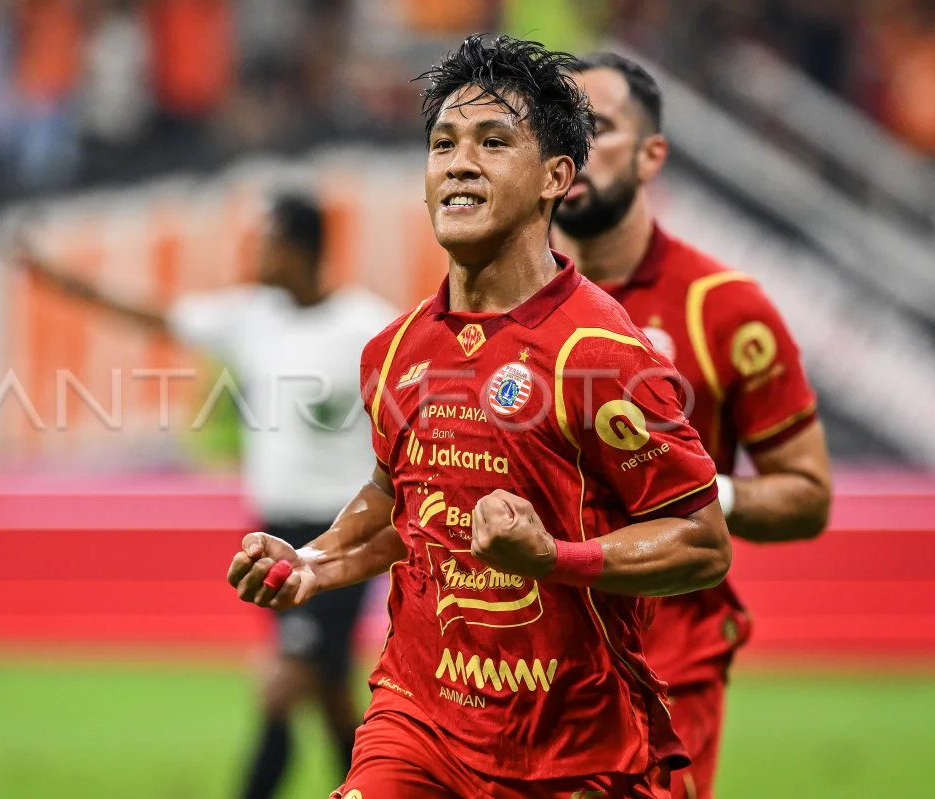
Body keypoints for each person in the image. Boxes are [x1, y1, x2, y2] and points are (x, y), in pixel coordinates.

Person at [227, 35, 733, 799]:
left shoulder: (600, 355)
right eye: (444, 144)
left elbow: (701, 541)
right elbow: (400, 499)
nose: (459, 163)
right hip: (419, 720)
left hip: (571, 744)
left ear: (555, 178)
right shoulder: (395, 350)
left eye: (493, 142)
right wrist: (315, 562)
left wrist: (553, 557)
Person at [15, 194, 398, 799]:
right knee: (327, 690)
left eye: (268, 241)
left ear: (300, 249)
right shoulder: (252, 318)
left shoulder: (369, 328)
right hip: (274, 530)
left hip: (339, 535)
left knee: (281, 686)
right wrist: (60, 280)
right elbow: (158, 317)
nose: (256, 253)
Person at [552, 53, 833, 799]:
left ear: (652, 156)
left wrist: (702, 495)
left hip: (666, 661)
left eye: (598, 128)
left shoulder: (722, 307)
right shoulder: (499, 306)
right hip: (529, 657)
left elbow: (808, 495)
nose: (574, 148)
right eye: (559, 128)